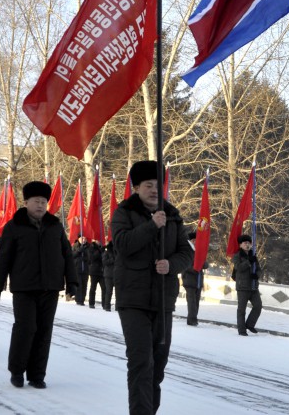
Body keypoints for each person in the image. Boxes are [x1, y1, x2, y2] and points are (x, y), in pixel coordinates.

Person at [112, 160, 193, 415]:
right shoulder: (124, 212)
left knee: (158, 364)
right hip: (133, 300)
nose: (155, 190)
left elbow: (185, 253)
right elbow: (122, 244)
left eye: (159, 185)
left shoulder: (173, 214)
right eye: (148, 185)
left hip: (162, 299)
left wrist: (171, 265)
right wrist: (151, 226)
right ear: (136, 187)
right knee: (141, 362)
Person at [0, 181, 78, 389]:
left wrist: (72, 281)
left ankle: (37, 374)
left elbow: (66, 254)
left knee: (44, 331)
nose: (40, 205)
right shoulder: (14, 226)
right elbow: (4, 257)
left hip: (50, 287)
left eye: (44, 202)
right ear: (26, 202)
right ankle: (17, 371)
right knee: (25, 328)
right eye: (36, 201)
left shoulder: (55, 225)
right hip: (24, 287)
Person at [232, 234, 261, 335]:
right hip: (243, 287)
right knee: (241, 310)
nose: (247, 245)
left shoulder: (253, 255)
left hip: (253, 287)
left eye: (249, 243)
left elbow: (259, 269)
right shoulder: (237, 256)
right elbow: (239, 268)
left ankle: (250, 324)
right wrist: (249, 261)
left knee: (258, 306)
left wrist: (256, 275)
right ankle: (242, 330)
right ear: (240, 245)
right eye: (245, 243)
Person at [181, 231, 205, 326]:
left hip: (198, 280)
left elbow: (205, 264)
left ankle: (194, 318)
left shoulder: (200, 251)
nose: (195, 241)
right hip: (189, 280)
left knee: (196, 301)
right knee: (191, 301)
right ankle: (192, 320)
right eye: (194, 240)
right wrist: (196, 267)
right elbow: (185, 265)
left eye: (197, 240)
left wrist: (201, 264)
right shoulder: (187, 250)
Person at [86, 239, 105, 309]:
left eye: (99, 240)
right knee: (93, 288)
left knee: (104, 288)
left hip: (102, 271)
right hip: (94, 271)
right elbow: (91, 258)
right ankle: (91, 303)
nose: (99, 241)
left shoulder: (103, 248)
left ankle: (104, 304)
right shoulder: (91, 248)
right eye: (97, 240)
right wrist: (98, 251)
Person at [71, 235, 89, 305]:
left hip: (85, 269)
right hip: (77, 268)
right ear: (78, 239)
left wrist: (85, 253)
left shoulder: (88, 246)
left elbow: (90, 257)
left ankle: (82, 299)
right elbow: (72, 255)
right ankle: (78, 299)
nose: (83, 240)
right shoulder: (75, 246)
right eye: (82, 238)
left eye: (85, 238)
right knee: (79, 284)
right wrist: (79, 251)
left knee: (84, 284)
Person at [101, 242, 116, 312]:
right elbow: (104, 262)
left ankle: (117, 306)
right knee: (109, 291)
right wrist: (112, 260)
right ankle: (107, 306)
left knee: (118, 292)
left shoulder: (117, 253)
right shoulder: (106, 253)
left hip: (116, 274)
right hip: (108, 275)